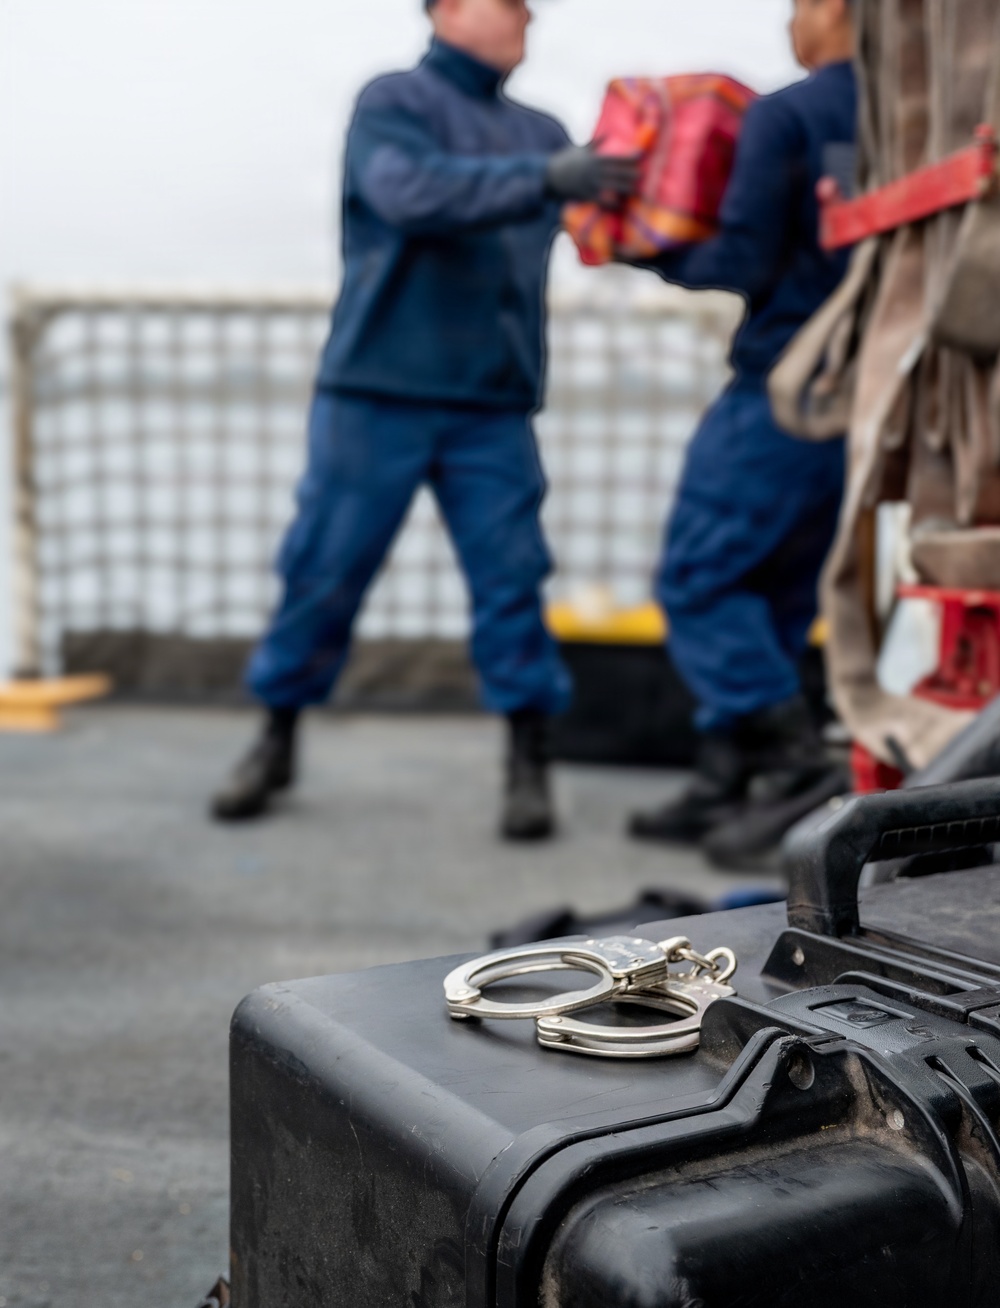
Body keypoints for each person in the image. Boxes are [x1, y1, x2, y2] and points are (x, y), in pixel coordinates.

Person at [211, 0, 638, 836]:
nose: (525, 12)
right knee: (324, 572)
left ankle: (529, 759)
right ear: (444, 10)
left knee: (513, 581)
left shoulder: (545, 129)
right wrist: (545, 178)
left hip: (492, 402)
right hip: (376, 392)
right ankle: (276, 733)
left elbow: (601, 226)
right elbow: (409, 195)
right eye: (503, 0)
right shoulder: (391, 103)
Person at [629, 0, 857, 867]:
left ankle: (797, 764)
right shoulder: (924, 121)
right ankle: (727, 777)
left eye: (797, 5)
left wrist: (643, 244)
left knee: (698, 578)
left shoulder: (788, 112)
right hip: (870, 401)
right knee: (782, 591)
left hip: (782, 387)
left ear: (834, 10)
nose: (787, 25)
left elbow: (743, 261)